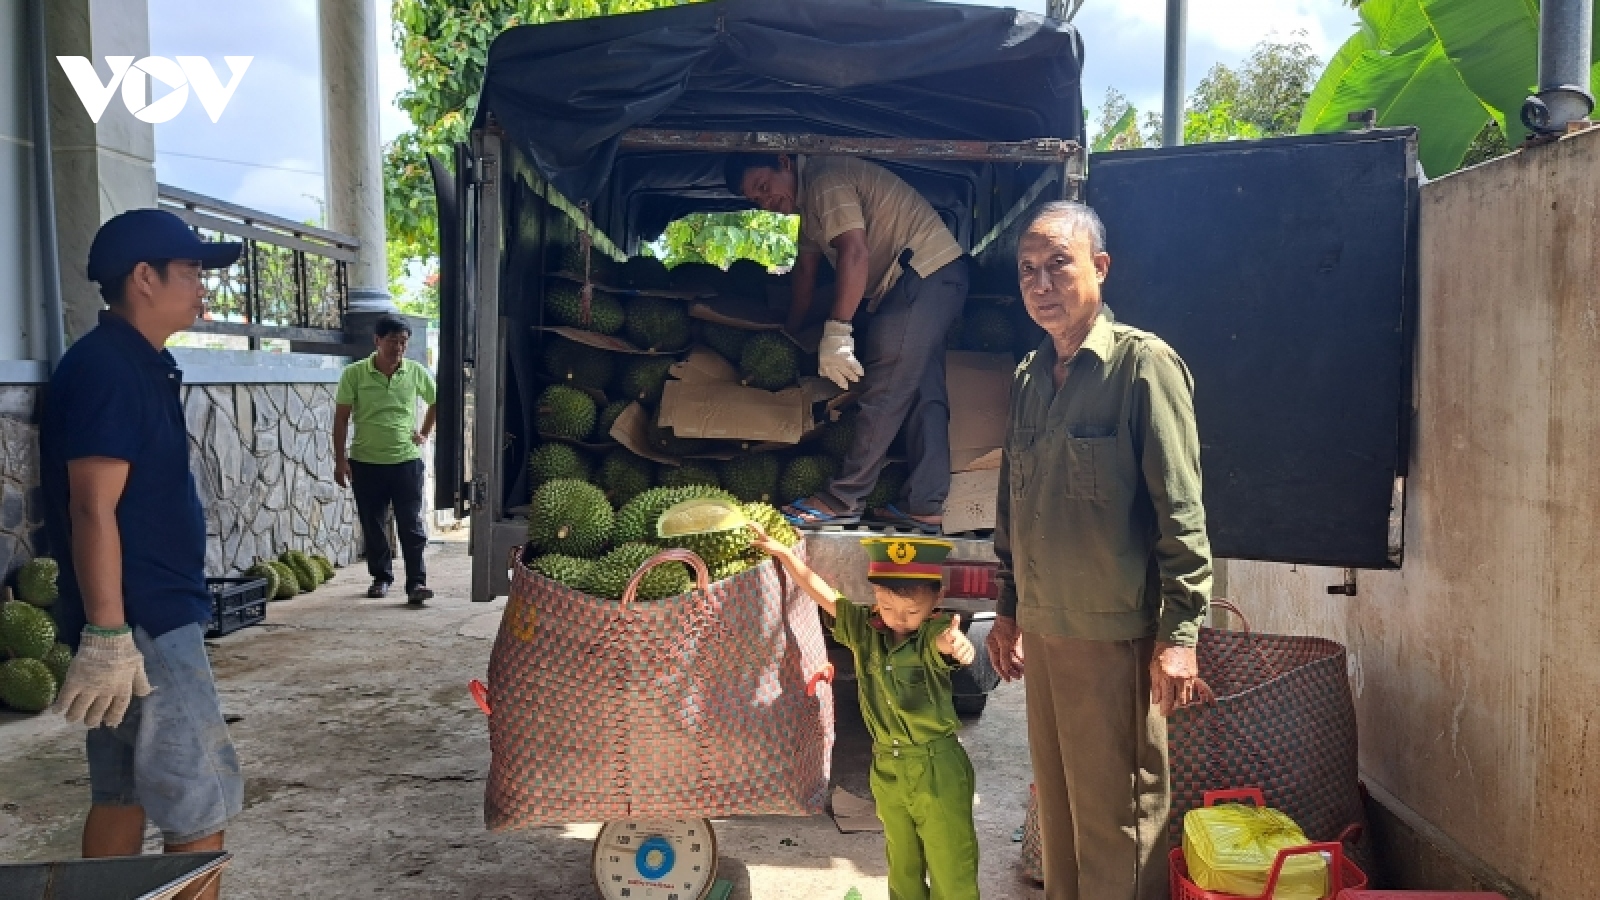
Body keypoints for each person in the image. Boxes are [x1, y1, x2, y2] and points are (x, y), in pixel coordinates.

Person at [985, 201, 1214, 900]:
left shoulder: (1142, 368)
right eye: (1028, 270)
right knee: (1060, 821)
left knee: (1120, 822)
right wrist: (1008, 609)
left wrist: (1179, 638)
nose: (1041, 283)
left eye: (1059, 263)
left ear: (1100, 268)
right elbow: (1012, 507)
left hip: (1116, 636)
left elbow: (1182, 513)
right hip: (1047, 634)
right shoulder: (1028, 378)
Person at [40, 208, 246, 900]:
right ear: (144, 278)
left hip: (136, 620)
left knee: (122, 792)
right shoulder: (107, 370)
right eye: (190, 272)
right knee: (201, 801)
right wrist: (107, 632)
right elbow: (92, 506)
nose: (202, 286)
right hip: (145, 621)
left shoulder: (135, 362)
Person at [728, 153, 967, 533]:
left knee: (885, 389)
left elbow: (854, 252)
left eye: (764, 187)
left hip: (923, 275)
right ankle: (925, 505)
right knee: (924, 391)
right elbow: (805, 274)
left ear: (784, 163)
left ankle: (844, 499)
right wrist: (790, 332)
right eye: (757, 200)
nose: (767, 201)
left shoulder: (826, 178)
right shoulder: (811, 211)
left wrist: (838, 331)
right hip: (933, 279)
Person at [752, 527, 979, 900]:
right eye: (888, 607)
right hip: (887, 769)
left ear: (936, 602)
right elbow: (824, 595)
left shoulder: (932, 634)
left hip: (937, 768)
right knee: (901, 866)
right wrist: (785, 555)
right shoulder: (864, 631)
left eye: (912, 611)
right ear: (874, 597)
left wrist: (956, 644)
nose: (899, 619)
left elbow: (944, 643)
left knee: (951, 868)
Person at [333, 315, 437, 605]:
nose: (398, 348)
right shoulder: (354, 374)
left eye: (403, 342)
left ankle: (417, 583)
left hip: (406, 462)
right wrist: (340, 461)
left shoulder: (415, 372)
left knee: (411, 525)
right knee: (373, 524)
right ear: (377, 340)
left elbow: (437, 401)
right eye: (393, 341)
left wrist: (424, 433)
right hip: (366, 463)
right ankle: (381, 577)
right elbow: (340, 419)